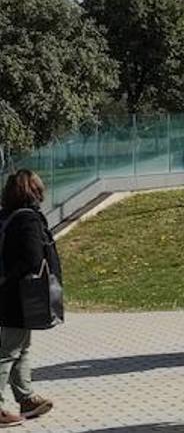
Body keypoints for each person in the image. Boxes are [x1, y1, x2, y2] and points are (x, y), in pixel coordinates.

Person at [0, 170, 58, 426]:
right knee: (8, 350)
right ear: (33, 191)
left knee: (22, 347)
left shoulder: (5, 218)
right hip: (19, 295)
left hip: (8, 293)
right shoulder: (29, 220)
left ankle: (26, 398)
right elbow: (33, 260)